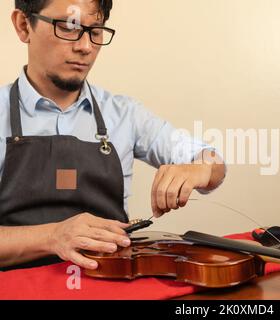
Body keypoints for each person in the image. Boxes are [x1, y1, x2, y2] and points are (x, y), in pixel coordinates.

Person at [0, 0, 226, 271]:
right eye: (69, 28)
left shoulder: (125, 114)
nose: (85, 47)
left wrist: (199, 169)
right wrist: (52, 237)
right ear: (24, 25)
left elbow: (213, 163)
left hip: (108, 286)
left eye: (95, 32)